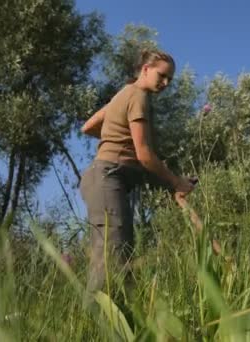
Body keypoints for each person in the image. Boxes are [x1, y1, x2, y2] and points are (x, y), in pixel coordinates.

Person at [79, 49, 196, 301]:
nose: (165, 83)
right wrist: (176, 181)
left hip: (109, 180)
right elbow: (145, 156)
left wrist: (116, 137)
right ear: (145, 69)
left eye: (170, 80)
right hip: (107, 177)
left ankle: (123, 325)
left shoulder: (123, 95)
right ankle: (94, 326)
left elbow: (88, 126)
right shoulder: (139, 96)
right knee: (110, 260)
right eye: (162, 76)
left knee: (123, 259)